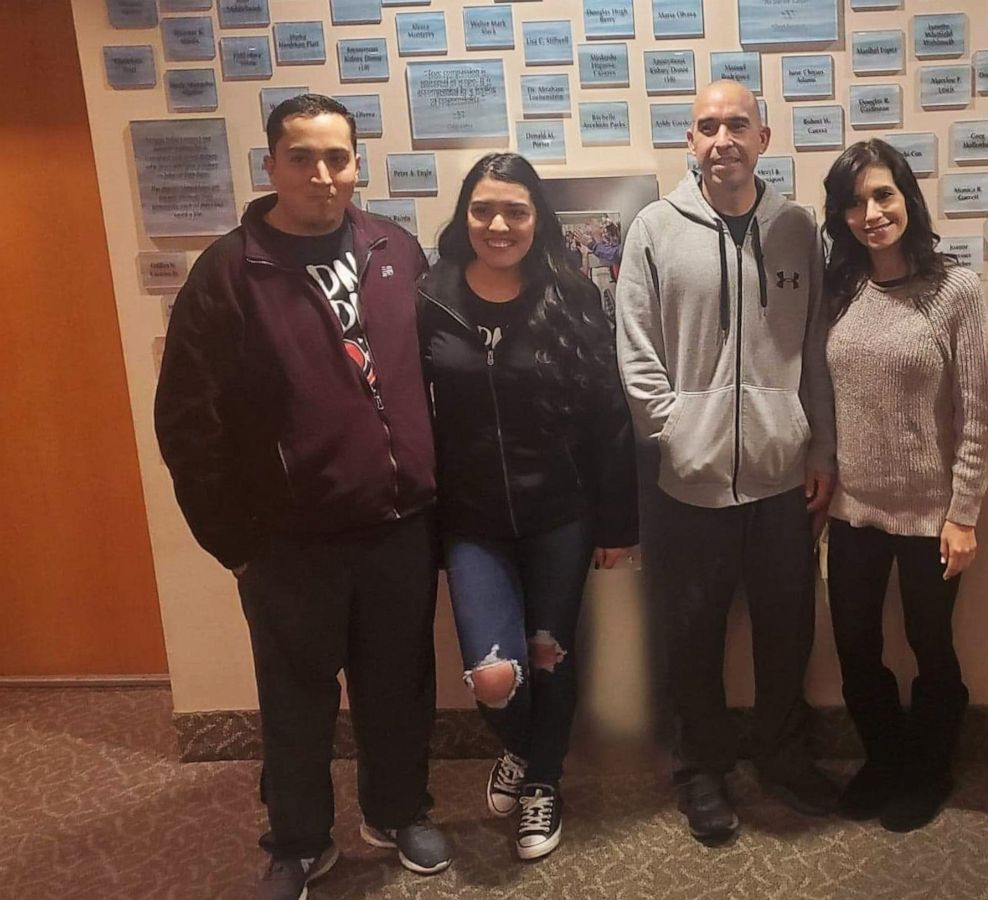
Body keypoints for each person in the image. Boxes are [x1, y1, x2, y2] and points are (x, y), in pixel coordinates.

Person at [153, 93, 451, 900]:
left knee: (400, 687)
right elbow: (187, 417)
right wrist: (236, 540)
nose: (322, 176)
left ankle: (396, 811)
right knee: (295, 701)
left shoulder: (397, 250)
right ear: (271, 166)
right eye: (301, 159)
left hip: (397, 526)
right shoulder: (232, 269)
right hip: (288, 541)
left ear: (357, 163)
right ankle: (298, 840)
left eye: (337, 158)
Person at [615, 80, 839, 843]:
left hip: (783, 480)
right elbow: (636, 355)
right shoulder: (653, 229)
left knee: (787, 630)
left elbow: (814, 349)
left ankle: (781, 753)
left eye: (737, 125)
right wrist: (679, 433)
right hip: (686, 482)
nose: (722, 140)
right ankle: (700, 768)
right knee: (691, 633)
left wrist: (821, 447)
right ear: (690, 140)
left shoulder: (799, 229)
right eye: (707, 126)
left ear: (764, 138)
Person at [416, 153, 638, 861]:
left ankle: (542, 780)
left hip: (560, 516)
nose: (498, 224)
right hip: (470, 520)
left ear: (536, 219)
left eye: (514, 209)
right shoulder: (429, 297)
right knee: (493, 676)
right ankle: (522, 746)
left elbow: (608, 415)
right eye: (483, 209)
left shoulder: (573, 296)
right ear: (464, 215)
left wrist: (616, 522)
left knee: (549, 656)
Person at [818, 139, 988, 832]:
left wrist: (965, 513)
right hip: (852, 509)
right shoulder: (839, 288)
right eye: (855, 202)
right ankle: (885, 757)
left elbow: (978, 412)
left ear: (907, 199)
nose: (871, 212)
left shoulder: (955, 290)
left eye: (883, 195)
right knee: (856, 646)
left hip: (931, 514)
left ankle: (929, 763)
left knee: (931, 644)